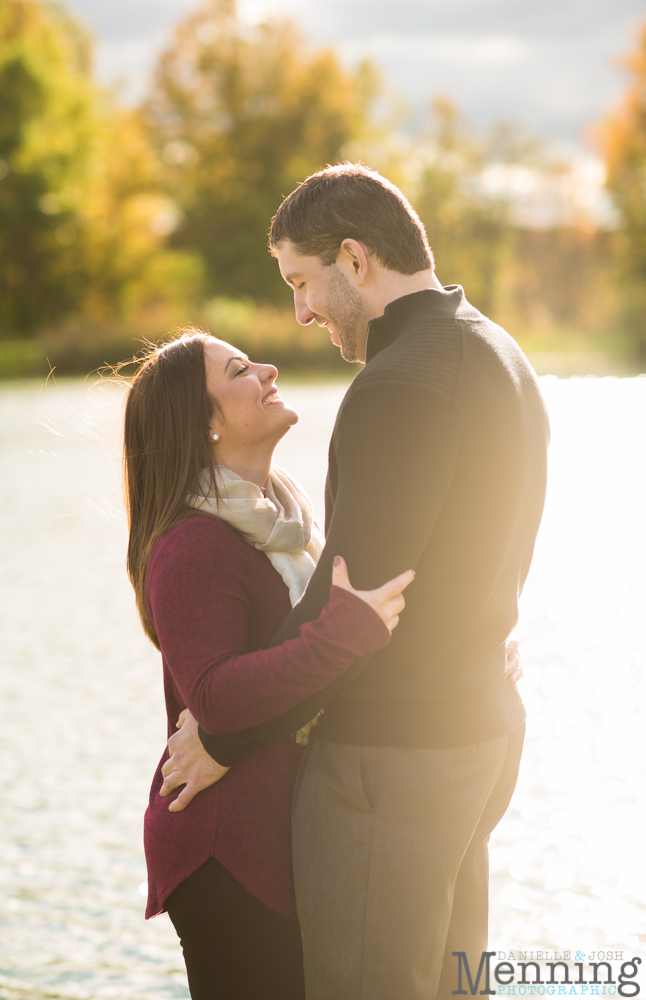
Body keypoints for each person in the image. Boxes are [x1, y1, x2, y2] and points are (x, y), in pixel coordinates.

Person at [165, 163, 549, 1000]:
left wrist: (225, 734)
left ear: (354, 257)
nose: (300, 310)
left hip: (395, 760)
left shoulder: (398, 384)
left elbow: (355, 600)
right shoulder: (495, 349)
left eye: (302, 282)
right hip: (479, 734)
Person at [122, 329, 416, 999]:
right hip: (226, 849)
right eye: (239, 370)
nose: (267, 368)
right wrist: (342, 633)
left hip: (278, 835)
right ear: (206, 425)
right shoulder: (193, 545)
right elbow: (217, 697)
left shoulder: (280, 523)